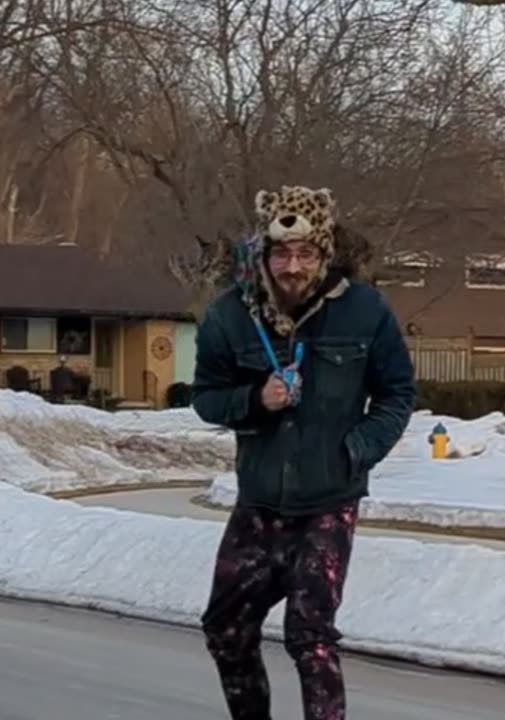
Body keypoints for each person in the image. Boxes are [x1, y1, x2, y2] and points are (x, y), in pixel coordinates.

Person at [191, 185, 416, 720]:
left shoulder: (364, 310)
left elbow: (397, 394)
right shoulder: (230, 315)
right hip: (260, 500)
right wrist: (255, 399)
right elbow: (205, 397)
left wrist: (357, 450)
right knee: (226, 629)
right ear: (263, 254)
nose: (293, 267)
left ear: (325, 253)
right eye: (282, 254)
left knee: (310, 636)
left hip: (328, 500)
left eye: (306, 254)